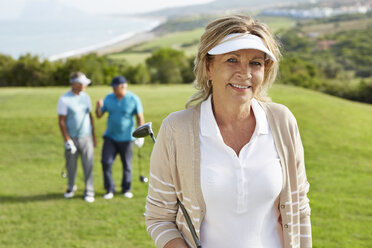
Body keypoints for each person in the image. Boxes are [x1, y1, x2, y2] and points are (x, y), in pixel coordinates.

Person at [145, 15, 312, 248]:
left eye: (256, 63)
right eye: (232, 60)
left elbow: (299, 209)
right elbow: (159, 218)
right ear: (209, 67)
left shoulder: (283, 121)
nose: (245, 73)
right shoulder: (176, 129)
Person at [96, 75, 145, 200]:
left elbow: (140, 117)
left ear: (123, 87)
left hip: (127, 138)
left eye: (115, 87)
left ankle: (126, 189)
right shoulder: (109, 98)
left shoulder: (133, 99)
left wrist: (141, 136)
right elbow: (99, 115)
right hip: (110, 137)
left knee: (127, 165)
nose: (113, 89)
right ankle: (109, 189)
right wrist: (98, 107)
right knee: (106, 162)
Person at [57, 72, 96, 203]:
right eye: (83, 83)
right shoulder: (64, 99)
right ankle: (70, 187)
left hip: (86, 137)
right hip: (72, 138)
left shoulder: (86, 97)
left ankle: (89, 191)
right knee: (71, 166)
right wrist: (67, 140)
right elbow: (61, 121)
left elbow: (90, 116)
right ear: (75, 84)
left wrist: (93, 136)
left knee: (88, 165)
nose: (85, 85)